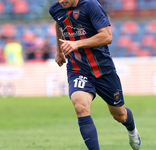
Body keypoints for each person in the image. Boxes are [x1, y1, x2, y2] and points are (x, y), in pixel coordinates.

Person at [49, 0, 141, 150]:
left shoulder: (91, 5)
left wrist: (77, 44)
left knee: (120, 115)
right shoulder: (55, 8)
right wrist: (59, 50)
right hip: (78, 69)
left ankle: (132, 130)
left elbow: (107, 37)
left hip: (103, 69)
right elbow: (59, 23)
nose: (62, 1)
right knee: (80, 106)